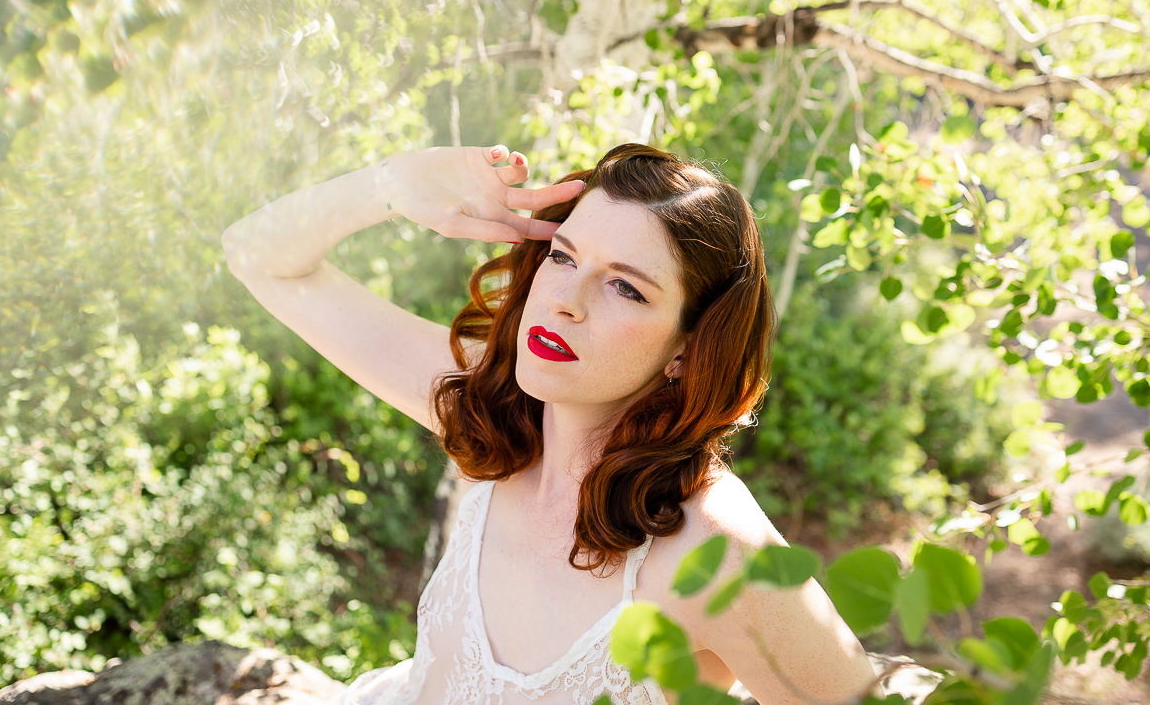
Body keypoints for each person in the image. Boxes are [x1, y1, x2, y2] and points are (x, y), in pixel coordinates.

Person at [221, 142, 880, 705]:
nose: (565, 300)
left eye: (625, 286)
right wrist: (390, 184)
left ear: (688, 346)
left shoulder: (716, 547)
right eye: (563, 256)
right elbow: (253, 253)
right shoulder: (493, 407)